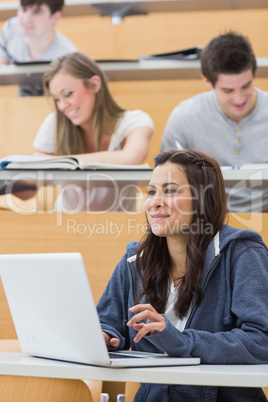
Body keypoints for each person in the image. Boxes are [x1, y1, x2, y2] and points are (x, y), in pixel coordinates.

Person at [97, 149, 268, 401]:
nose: (155, 202)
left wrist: (181, 341)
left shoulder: (243, 254)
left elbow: (261, 341)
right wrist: (105, 336)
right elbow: (109, 323)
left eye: (170, 191)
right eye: (152, 192)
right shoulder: (135, 261)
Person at [160, 31, 268, 213]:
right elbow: (166, 183)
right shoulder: (184, 117)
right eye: (228, 90)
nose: (240, 99)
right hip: (204, 223)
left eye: (246, 86)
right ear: (207, 80)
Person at [33, 51, 154, 211]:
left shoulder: (135, 121)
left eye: (68, 94)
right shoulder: (54, 122)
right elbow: (33, 172)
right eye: (57, 99)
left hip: (114, 226)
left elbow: (130, 158)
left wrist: (61, 162)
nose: (62, 106)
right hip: (63, 223)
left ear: (95, 85)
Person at [0, 0, 77, 96]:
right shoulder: (11, 29)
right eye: (24, 10)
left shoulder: (67, 55)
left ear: (55, 18)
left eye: (37, 12)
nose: (26, 19)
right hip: (23, 103)